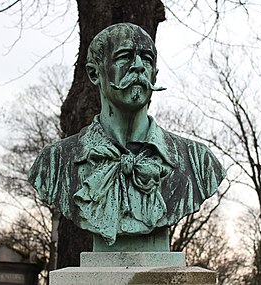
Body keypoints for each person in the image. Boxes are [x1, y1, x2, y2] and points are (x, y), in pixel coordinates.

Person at [28, 23, 225, 246]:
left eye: (147, 59)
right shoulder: (54, 162)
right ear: (94, 73)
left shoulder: (198, 162)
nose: (139, 66)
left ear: (155, 75)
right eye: (125, 56)